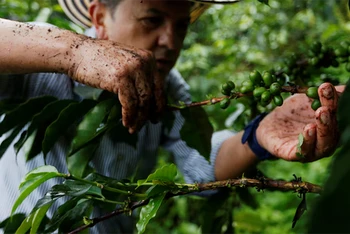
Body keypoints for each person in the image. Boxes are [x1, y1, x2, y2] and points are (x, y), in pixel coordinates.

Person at [0, 0, 342, 233]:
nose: (170, 40)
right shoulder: (41, 61)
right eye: (151, 20)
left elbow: (198, 162)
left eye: (180, 26)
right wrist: (73, 52)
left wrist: (259, 136)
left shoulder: (168, 88)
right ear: (99, 17)